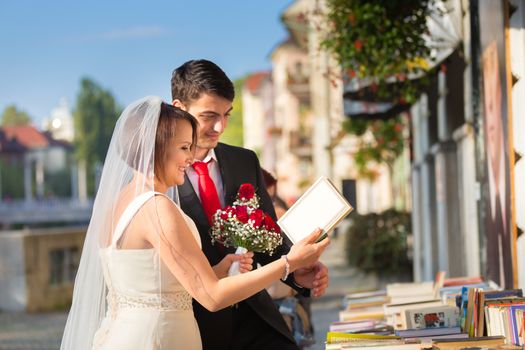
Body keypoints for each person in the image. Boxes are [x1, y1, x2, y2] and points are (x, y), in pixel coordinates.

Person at [59, 97, 329, 350]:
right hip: (157, 338)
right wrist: (289, 263)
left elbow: (149, 281)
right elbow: (212, 298)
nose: (190, 159)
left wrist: (217, 270)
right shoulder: (156, 207)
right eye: (184, 148)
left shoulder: (118, 204)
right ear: (158, 148)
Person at [172, 59, 329, 350]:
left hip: (257, 318)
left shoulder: (244, 161)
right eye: (209, 115)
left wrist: (298, 273)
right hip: (195, 325)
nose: (220, 126)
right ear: (179, 108)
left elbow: (271, 241)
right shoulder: (159, 175)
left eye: (226, 114)